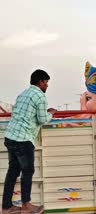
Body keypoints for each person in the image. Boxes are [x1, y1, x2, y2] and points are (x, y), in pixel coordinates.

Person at [1, 70, 56, 214]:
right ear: (40, 82)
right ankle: (26, 205)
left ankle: (6, 206)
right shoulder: (40, 96)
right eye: (46, 82)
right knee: (28, 171)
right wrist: (52, 113)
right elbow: (43, 119)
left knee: (12, 172)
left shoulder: (23, 94)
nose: (47, 86)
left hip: (10, 136)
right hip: (23, 139)